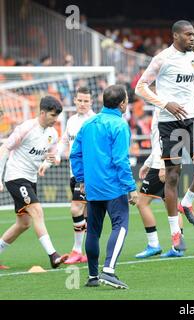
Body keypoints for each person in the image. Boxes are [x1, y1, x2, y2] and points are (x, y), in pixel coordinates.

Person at [135, 20, 194, 255]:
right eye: (189, 35)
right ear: (176, 36)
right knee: (172, 177)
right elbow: (141, 87)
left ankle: (187, 202)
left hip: (192, 119)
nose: (193, 39)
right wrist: (165, 104)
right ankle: (175, 233)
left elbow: (189, 87)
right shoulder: (161, 59)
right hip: (170, 122)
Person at [70, 85, 138, 289]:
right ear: (123, 103)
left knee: (93, 230)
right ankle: (108, 270)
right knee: (121, 224)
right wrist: (131, 187)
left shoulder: (88, 124)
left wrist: (81, 180)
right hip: (114, 187)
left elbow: (75, 154)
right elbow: (121, 160)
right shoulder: (119, 125)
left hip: (92, 187)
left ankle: (92, 276)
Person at [0, 96, 68, 270]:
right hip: (15, 177)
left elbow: (54, 155)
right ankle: (53, 255)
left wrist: (50, 161)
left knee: (24, 223)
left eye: (57, 116)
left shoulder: (52, 133)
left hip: (30, 179)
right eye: (53, 115)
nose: (55, 119)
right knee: (37, 211)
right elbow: (4, 148)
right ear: (42, 113)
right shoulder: (26, 128)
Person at [43, 87, 95, 265]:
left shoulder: (94, 121)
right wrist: (55, 157)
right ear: (74, 100)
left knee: (75, 209)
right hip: (74, 172)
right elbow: (65, 142)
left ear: (91, 102)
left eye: (86, 101)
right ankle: (89, 251)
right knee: (86, 212)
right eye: (79, 100)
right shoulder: (72, 120)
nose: (82, 104)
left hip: (88, 174)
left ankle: (77, 250)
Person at [134, 108, 185, 258]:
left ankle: (153, 244)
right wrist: (148, 163)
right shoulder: (171, 108)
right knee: (171, 205)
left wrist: (161, 165)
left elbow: (163, 140)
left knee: (142, 203)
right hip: (170, 162)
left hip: (161, 165)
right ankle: (178, 246)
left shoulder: (161, 109)